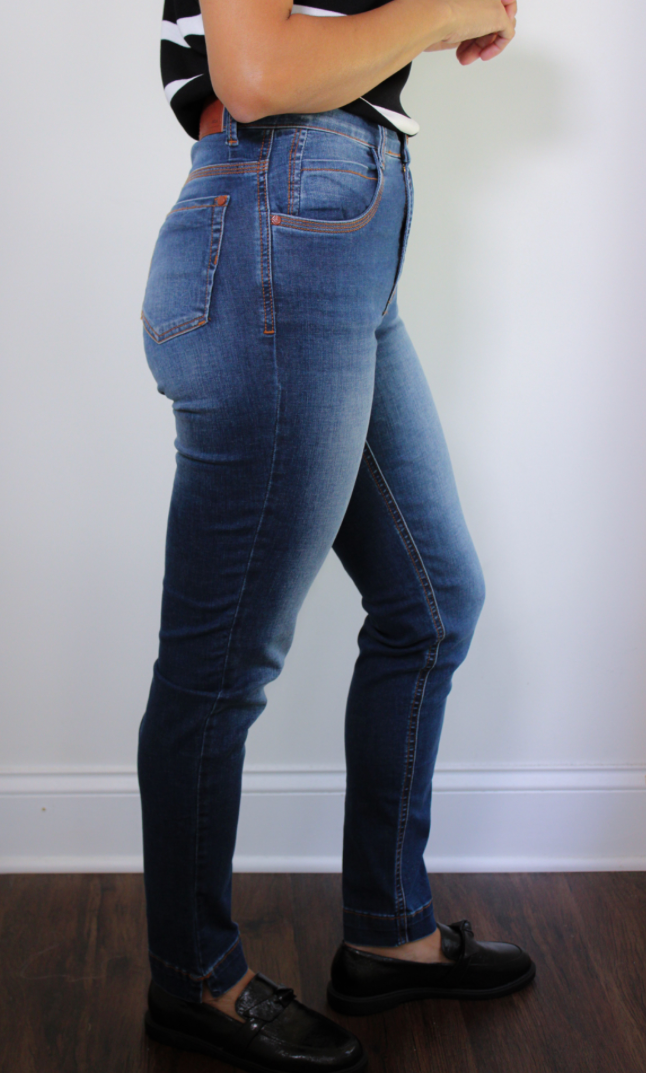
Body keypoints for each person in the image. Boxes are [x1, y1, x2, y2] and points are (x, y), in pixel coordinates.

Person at [137, 2, 534, 1070]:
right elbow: (257, 71)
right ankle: (194, 977)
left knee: (431, 600)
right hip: (279, 223)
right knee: (220, 663)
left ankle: (388, 932)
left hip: (333, 232)